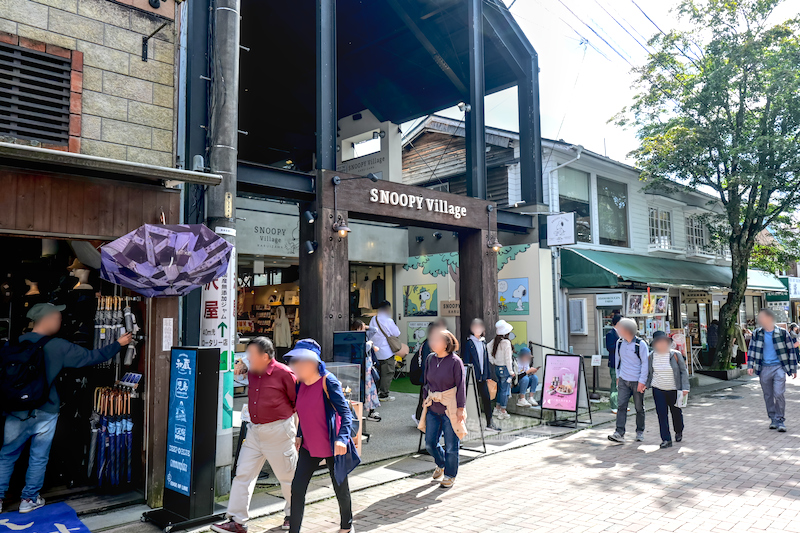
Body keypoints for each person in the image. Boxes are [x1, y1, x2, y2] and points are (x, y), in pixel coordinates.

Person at [0, 303, 132, 514]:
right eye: (58, 318)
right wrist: (118, 343)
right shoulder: (58, 346)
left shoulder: (13, 344)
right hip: (45, 410)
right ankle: (29, 499)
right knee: (38, 456)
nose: (60, 322)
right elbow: (92, 357)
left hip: (15, 411)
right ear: (49, 319)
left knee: (7, 455)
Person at [212, 337, 298, 533]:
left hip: (279, 431)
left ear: (265, 357)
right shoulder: (252, 371)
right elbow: (238, 368)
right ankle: (237, 520)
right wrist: (240, 365)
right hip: (254, 431)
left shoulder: (284, 373)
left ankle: (294, 514)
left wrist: (298, 434)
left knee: (288, 477)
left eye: (251, 354)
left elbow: (298, 404)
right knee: (243, 474)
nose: (247, 357)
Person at [286, 339, 354, 533]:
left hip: (332, 444)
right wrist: (299, 433)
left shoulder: (328, 381)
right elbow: (304, 410)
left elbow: (345, 412)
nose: (297, 365)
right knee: (297, 489)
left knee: (340, 487)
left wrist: (342, 439)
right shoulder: (300, 383)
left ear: (315, 362)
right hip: (309, 445)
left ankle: (346, 525)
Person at [417, 329, 466, 488]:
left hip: (449, 407)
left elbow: (461, 386)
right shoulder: (430, 359)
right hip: (433, 406)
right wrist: (425, 397)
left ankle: (450, 474)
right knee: (430, 443)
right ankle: (441, 463)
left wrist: (461, 408)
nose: (432, 343)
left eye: (436, 341)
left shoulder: (455, 361)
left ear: (446, 343)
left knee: (451, 445)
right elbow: (426, 381)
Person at [747, 309, 798, 432]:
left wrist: (793, 368)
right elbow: (752, 349)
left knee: (779, 393)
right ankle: (773, 419)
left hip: (779, 367)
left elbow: (791, 350)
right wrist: (750, 365)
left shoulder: (782, 333)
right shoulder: (757, 333)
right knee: (768, 395)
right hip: (763, 367)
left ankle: (780, 420)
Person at [608, 317, 649, 443]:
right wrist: (618, 376)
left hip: (637, 380)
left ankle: (640, 431)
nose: (619, 330)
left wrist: (642, 381)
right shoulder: (620, 342)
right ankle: (619, 432)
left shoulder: (640, 344)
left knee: (639, 408)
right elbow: (618, 361)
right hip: (623, 380)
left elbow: (645, 363)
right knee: (621, 406)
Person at [645, 331, 690, 449]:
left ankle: (679, 430)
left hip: (674, 389)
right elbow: (649, 373)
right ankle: (666, 439)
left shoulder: (675, 354)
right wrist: (645, 384)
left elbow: (683, 372)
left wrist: (685, 388)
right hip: (658, 388)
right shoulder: (651, 356)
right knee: (661, 414)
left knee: (676, 412)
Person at [462, 319, 499, 431]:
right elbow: (466, 361)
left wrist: (488, 376)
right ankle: (463, 423)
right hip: (472, 377)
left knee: (487, 399)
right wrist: (467, 377)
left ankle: (489, 422)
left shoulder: (483, 343)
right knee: (467, 401)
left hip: (483, 377)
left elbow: (486, 360)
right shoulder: (469, 343)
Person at [412, 319, 447, 425]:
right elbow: (427, 363)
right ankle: (421, 419)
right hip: (428, 376)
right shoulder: (429, 344)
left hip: (427, 376)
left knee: (425, 398)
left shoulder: (428, 342)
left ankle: (420, 418)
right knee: (426, 399)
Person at [369, 301, 403, 402]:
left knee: (377, 373)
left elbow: (370, 332)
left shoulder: (373, 319)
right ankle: (384, 395)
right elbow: (397, 332)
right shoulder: (388, 320)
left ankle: (375, 392)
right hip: (386, 351)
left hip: (375, 350)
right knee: (387, 373)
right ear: (387, 308)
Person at [351, 319, 380, 421]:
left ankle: (371, 410)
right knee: (363, 389)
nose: (363, 330)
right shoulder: (354, 338)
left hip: (366, 366)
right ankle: (364, 411)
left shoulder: (363, 336)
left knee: (370, 388)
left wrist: (365, 326)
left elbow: (374, 330)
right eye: (361, 328)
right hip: (361, 366)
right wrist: (371, 343)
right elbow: (364, 348)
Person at [488, 320, 515, 420]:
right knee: (505, 390)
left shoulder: (495, 340)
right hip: (505, 369)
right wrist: (511, 371)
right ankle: (502, 411)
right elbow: (508, 359)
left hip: (497, 368)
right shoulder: (506, 342)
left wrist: (493, 360)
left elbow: (487, 347)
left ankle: (497, 408)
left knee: (500, 389)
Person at [605, 313, 622, 414]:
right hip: (614, 363)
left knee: (623, 385)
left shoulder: (623, 333)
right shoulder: (610, 334)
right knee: (614, 384)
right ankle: (614, 405)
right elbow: (609, 348)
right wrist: (619, 343)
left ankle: (622, 404)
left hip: (623, 363)